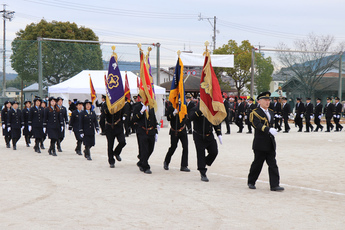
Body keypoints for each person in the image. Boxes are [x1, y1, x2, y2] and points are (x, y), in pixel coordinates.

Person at [247, 91, 284, 192]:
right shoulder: (254, 112)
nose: (268, 102)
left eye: (269, 100)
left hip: (270, 142)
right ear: (259, 101)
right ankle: (251, 181)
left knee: (273, 164)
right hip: (260, 143)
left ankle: (275, 185)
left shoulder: (271, 112)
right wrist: (268, 129)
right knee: (257, 163)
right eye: (265, 100)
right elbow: (256, 125)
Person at [189, 103, 222, 182]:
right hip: (199, 135)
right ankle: (203, 172)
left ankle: (205, 162)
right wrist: (200, 111)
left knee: (214, 152)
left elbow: (215, 122)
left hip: (209, 135)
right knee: (200, 154)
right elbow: (190, 117)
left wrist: (219, 133)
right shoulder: (195, 109)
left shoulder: (211, 110)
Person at [132, 101, 158, 174]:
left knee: (151, 149)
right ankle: (145, 167)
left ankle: (141, 162)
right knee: (144, 149)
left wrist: (156, 131)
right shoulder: (137, 107)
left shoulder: (151, 107)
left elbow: (153, 118)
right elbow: (134, 119)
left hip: (151, 131)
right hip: (142, 131)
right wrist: (141, 112)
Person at [163, 105, 190, 172]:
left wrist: (189, 128)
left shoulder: (183, 106)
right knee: (173, 147)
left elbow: (186, 117)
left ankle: (184, 165)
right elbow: (168, 118)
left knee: (185, 147)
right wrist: (173, 113)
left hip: (182, 130)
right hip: (174, 131)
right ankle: (166, 162)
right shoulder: (171, 107)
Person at [103, 100, 127, 168]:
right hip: (109, 126)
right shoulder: (106, 103)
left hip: (118, 125)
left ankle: (116, 152)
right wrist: (111, 107)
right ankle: (111, 161)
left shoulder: (120, 103)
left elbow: (124, 111)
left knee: (122, 142)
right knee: (110, 145)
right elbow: (104, 113)